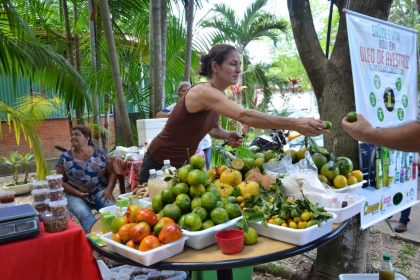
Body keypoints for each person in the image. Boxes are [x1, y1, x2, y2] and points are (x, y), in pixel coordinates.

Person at [139, 44, 328, 183]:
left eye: (239, 64)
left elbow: (212, 128)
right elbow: (244, 115)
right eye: (233, 64)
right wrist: (296, 124)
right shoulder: (203, 91)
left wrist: (225, 134)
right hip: (158, 164)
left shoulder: (218, 94)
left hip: (183, 166)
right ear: (215, 67)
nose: (238, 70)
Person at [342, 110, 420, 233]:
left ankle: (404, 220)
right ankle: (390, 210)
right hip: (388, 153)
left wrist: (368, 133)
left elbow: (416, 135)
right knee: (390, 182)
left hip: (405, 155)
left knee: (403, 184)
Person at [56, 125, 117, 232]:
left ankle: (115, 234)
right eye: (72, 135)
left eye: (77, 134)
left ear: (87, 138)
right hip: (75, 195)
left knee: (111, 208)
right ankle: (96, 240)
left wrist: (109, 189)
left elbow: (112, 173)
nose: (73, 137)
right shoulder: (64, 158)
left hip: (99, 191)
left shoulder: (101, 153)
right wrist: (78, 194)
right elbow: (61, 182)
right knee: (83, 213)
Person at [156, 81, 213, 169]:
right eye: (183, 90)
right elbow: (158, 115)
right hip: (188, 146)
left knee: (205, 170)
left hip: (204, 143)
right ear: (178, 94)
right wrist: (172, 115)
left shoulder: (199, 105)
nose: (187, 92)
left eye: (189, 90)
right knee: (189, 171)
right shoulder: (175, 107)